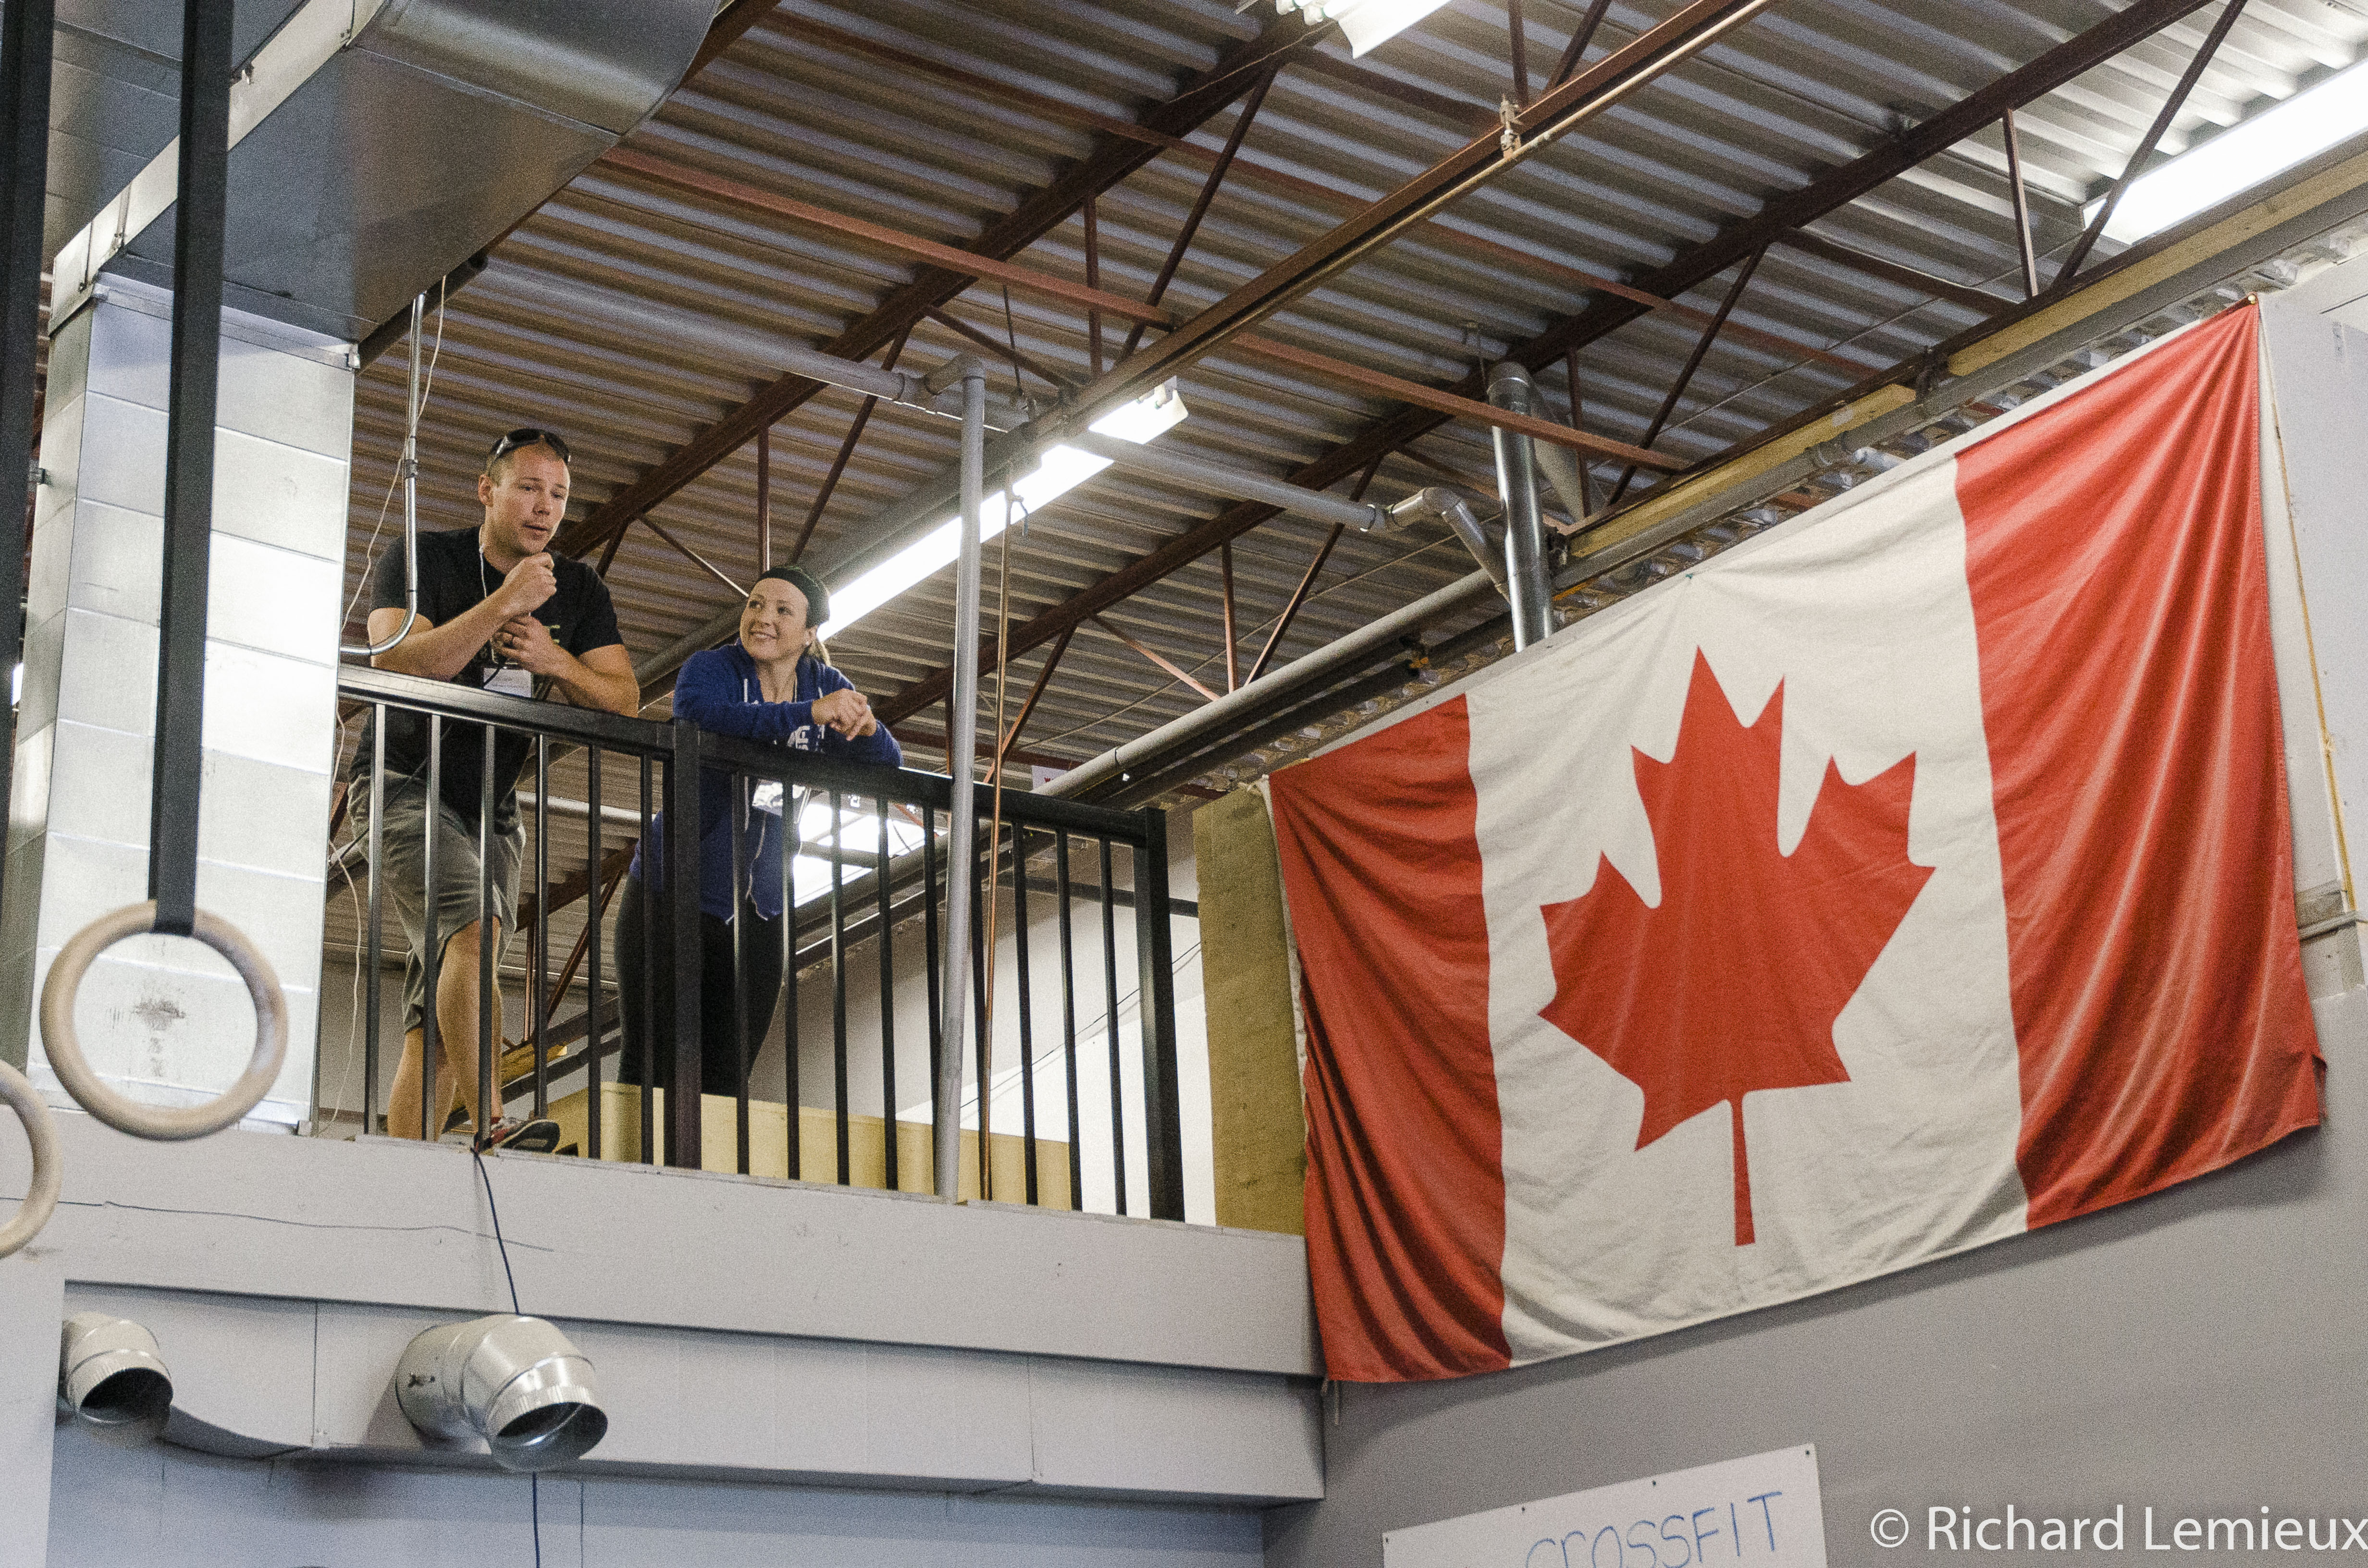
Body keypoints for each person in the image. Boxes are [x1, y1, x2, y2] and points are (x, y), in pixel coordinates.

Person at [357, 427, 640, 1149]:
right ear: (488, 490)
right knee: (476, 934)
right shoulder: (422, 558)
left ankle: (402, 1171)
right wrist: (505, 603)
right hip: (402, 781)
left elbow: (624, 701)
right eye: (529, 488)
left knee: (444, 1019)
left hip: (492, 804)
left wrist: (557, 658)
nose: (545, 508)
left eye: (560, 495)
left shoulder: (578, 588)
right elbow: (397, 665)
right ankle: (491, 1122)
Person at [616, 564, 901, 1109]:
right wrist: (805, 714)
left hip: (762, 909)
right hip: (672, 893)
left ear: (810, 633)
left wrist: (868, 730)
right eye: (754, 604)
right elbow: (700, 716)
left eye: (781, 610)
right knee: (650, 1064)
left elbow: (886, 764)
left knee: (727, 1077)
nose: (762, 618)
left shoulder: (827, 683)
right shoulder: (713, 668)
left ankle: (702, 1192)